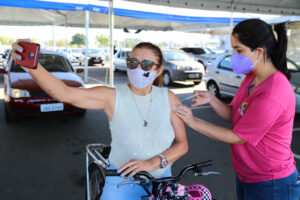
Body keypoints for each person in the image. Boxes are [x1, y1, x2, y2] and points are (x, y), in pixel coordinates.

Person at [11, 41, 188, 199]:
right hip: (121, 181)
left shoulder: (169, 98)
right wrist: (33, 67)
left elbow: (182, 144)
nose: (138, 69)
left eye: (146, 64)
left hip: (164, 180)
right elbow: (65, 93)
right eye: (132, 62)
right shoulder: (111, 96)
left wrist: (153, 163)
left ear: (158, 71)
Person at [174, 19, 300, 200]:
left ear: (259, 52)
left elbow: (237, 137)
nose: (234, 55)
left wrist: (193, 121)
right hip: (248, 175)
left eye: (239, 50)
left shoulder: (273, 92)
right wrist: (212, 99)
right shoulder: (251, 78)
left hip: (271, 182)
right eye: (233, 49)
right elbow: (235, 115)